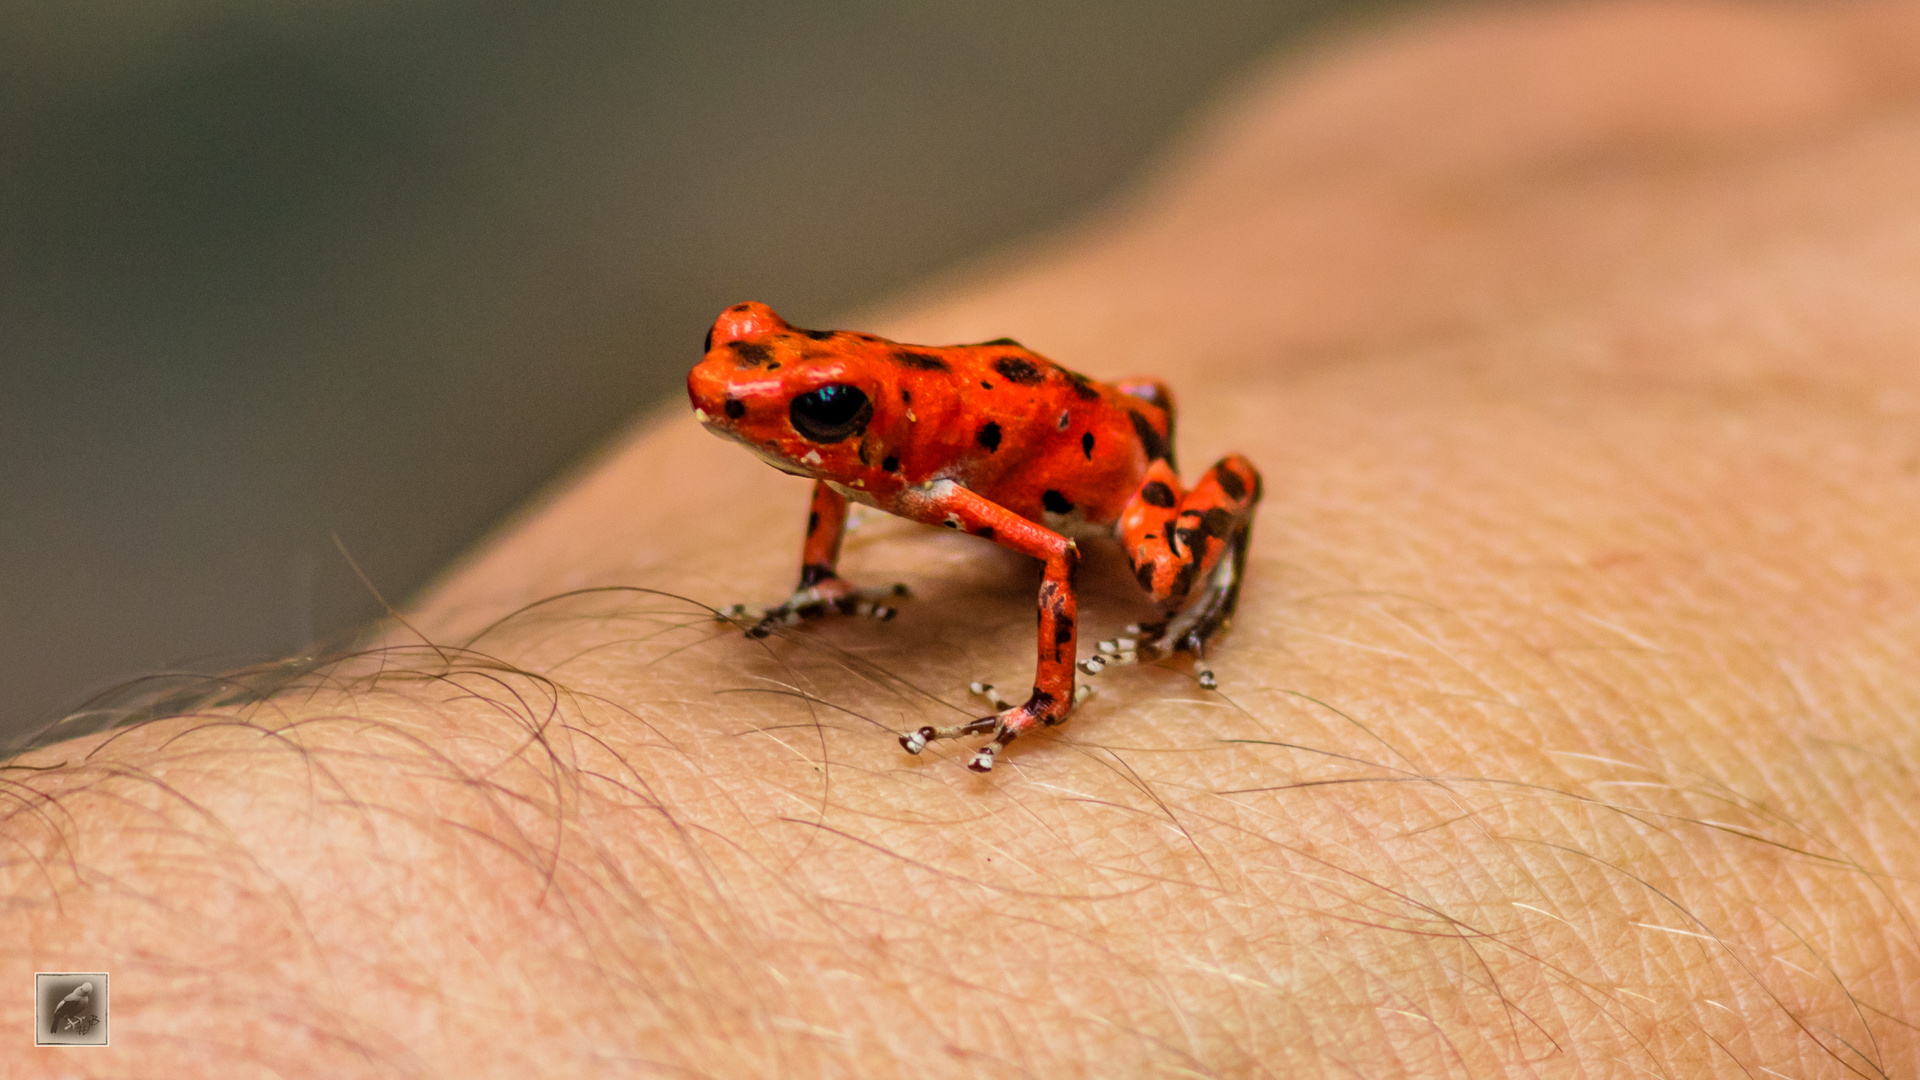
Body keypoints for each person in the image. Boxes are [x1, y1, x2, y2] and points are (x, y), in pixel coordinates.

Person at [9, 1, 1920, 1074]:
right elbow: (864, 486)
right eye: (750, 378)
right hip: (1000, 442)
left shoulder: (961, 479)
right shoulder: (862, 458)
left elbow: (1037, 550)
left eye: (799, 404)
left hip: (1104, 463)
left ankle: (1174, 619)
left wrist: (1055, 697)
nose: (753, 408)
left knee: (1137, 549)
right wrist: (817, 585)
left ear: (863, 416)